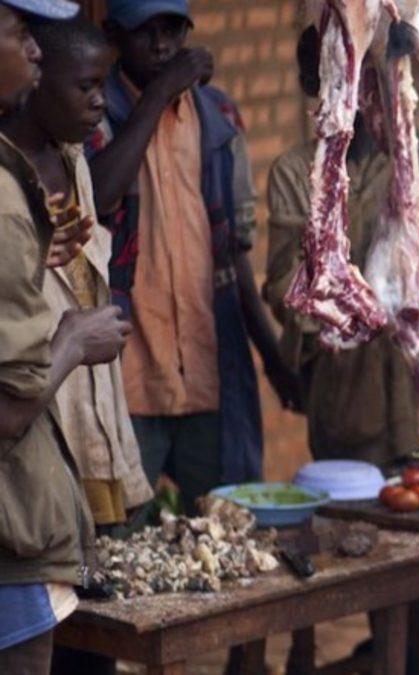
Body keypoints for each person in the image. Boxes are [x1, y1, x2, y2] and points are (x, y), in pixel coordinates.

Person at [86, 0, 301, 513]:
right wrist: (159, 94)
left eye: (173, 30)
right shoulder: (95, 116)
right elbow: (99, 195)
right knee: (125, 544)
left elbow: (233, 258)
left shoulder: (219, 119)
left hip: (210, 371)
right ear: (115, 36)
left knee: (224, 533)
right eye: (146, 33)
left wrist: (272, 359)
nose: (162, 46)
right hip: (130, 379)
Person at [264, 25, 419, 468]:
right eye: (344, 83)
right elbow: (288, 293)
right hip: (353, 410)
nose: (360, 97)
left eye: (370, 81)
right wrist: (384, 304)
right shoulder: (295, 174)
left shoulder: (415, 156)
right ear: (316, 87)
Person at [0, 2, 133, 673]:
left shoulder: (52, 169)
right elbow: (11, 407)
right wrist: (75, 339)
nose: (29, 50)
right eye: (18, 33)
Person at [1, 15, 154, 538]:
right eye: (85, 86)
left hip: (94, 423)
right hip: (34, 428)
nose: (99, 102)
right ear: (36, 77)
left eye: (103, 86)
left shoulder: (74, 162)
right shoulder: (6, 185)